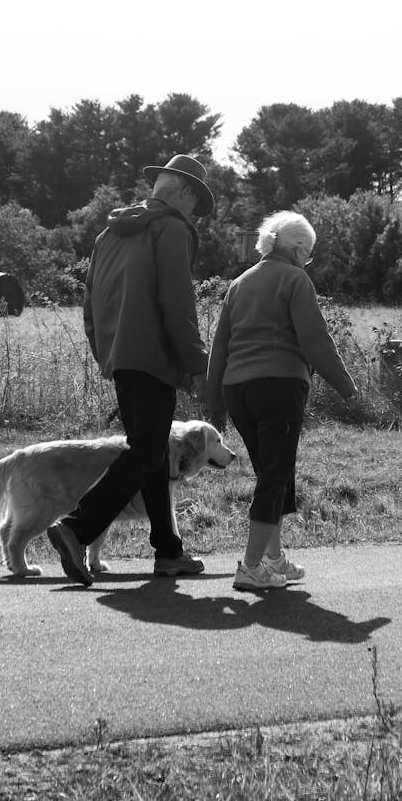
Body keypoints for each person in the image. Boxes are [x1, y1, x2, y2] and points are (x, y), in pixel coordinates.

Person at [47, 154, 215, 587]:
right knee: (144, 451)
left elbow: (90, 305)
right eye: (197, 203)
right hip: (155, 358)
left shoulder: (108, 234)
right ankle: (77, 528)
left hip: (121, 357)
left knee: (153, 451)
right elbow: (178, 303)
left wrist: (107, 353)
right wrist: (198, 363)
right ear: (184, 191)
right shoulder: (172, 228)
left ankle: (168, 551)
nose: (196, 213)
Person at [207, 210, 358, 592]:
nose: (307, 262)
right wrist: (347, 387)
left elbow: (219, 347)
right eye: (308, 255)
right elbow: (314, 339)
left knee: (272, 473)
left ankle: (274, 561)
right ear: (297, 249)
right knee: (275, 476)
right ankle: (251, 567)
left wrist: (215, 406)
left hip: (238, 390)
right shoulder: (294, 278)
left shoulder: (239, 284)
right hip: (279, 385)